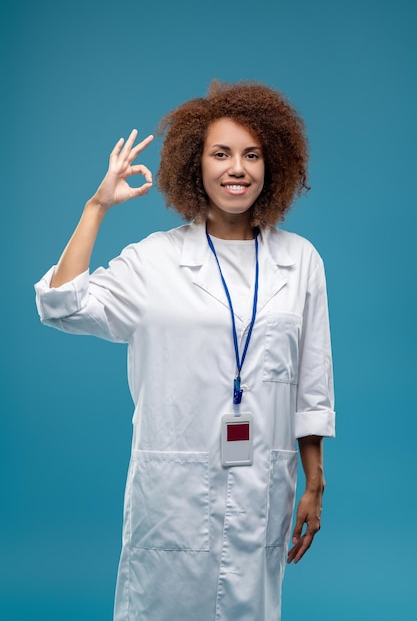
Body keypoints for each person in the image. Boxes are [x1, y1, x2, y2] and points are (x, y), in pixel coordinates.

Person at [35, 80, 335, 621]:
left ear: (273, 166)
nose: (236, 168)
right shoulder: (155, 259)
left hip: (261, 487)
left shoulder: (301, 261)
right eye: (220, 153)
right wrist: (96, 205)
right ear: (195, 165)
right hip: (173, 493)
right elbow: (61, 304)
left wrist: (315, 480)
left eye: (251, 154)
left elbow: (311, 385)